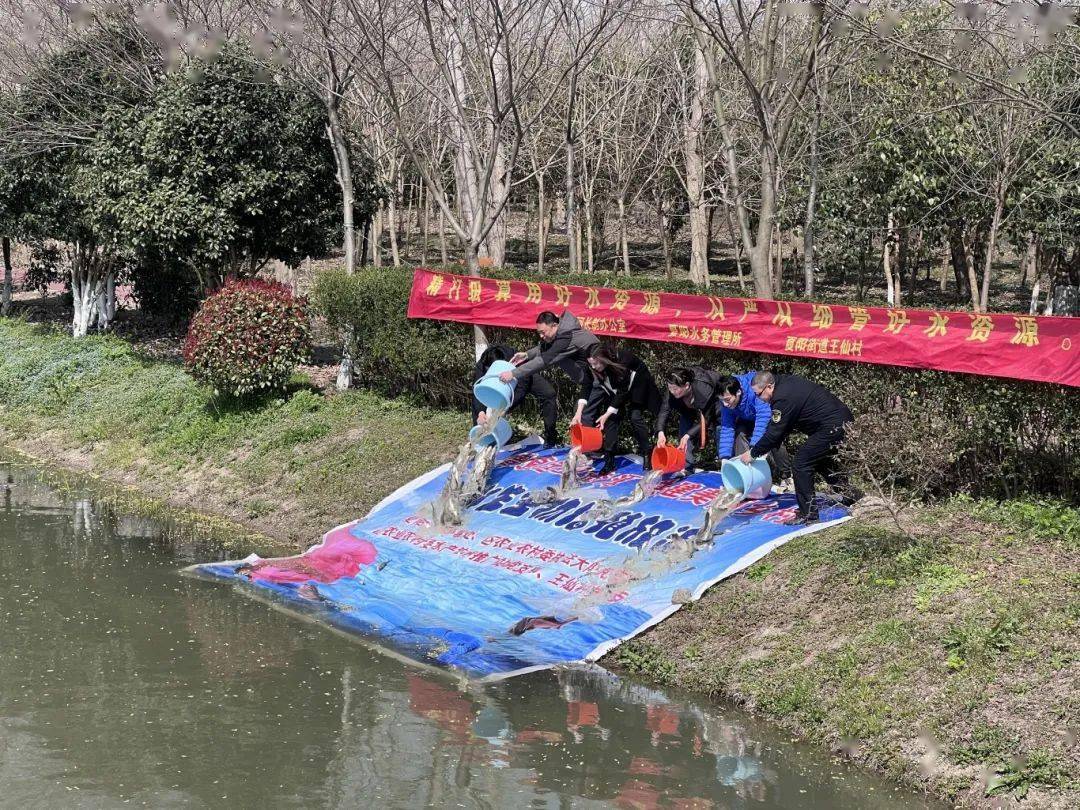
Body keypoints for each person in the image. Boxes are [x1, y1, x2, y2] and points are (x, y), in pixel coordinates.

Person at [739, 371, 859, 524]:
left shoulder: (782, 398)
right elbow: (781, 427)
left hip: (832, 425)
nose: (758, 399)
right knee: (821, 460)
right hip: (838, 421)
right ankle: (849, 495)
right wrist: (765, 447)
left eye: (759, 394)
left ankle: (808, 514)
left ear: (769, 387)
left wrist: (753, 453)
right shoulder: (784, 384)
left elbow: (775, 432)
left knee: (801, 464)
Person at [572, 343, 661, 475]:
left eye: (596, 364)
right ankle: (609, 460)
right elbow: (586, 385)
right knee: (611, 422)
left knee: (635, 417)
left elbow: (623, 391)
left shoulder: (622, 360)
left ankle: (647, 453)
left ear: (604, 358)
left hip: (637, 385)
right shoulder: (591, 366)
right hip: (615, 388)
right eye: (591, 364)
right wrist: (578, 413)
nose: (594, 367)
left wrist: (607, 413)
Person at [499, 312, 599, 411]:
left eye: (543, 332)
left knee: (585, 418)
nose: (541, 336)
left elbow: (543, 361)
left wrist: (513, 373)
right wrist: (527, 355)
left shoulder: (566, 339)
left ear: (554, 325)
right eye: (539, 333)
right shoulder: (563, 332)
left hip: (598, 380)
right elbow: (548, 348)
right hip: (590, 381)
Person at [472, 344, 559, 448]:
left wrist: (505, 406)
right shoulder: (482, 364)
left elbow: (523, 387)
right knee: (479, 412)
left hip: (518, 375)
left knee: (549, 393)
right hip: (496, 383)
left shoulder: (515, 359)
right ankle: (483, 440)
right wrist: (480, 413)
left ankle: (550, 438)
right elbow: (478, 391)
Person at [717, 373, 792, 487]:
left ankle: (786, 476)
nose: (725, 404)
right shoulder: (726, 402)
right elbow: (727, 427)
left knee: (773, 438)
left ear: (738, 392)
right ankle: (746, 473)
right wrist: (724, 457)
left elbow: (763, 417)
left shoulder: (754, 388)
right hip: (747, 419)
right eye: (721, 400)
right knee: (740, 433)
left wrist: (754, 449)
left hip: (766, 415)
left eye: (727, 400)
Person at [654, 366, 722, 469]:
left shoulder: (703, 389)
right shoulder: (673, 388)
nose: (672, 391)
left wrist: (688, 435)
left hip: (713, 406)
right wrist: (660, 432)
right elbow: (664, 410)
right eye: (669, 388)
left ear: (686, 385)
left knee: (719, 430)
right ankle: (686, 467)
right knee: (683, 435)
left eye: (675, 389)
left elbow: (706, 419)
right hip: (687, 406)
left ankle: (723, 463)